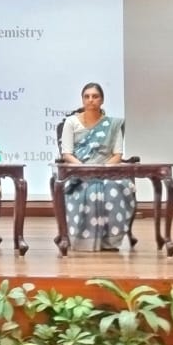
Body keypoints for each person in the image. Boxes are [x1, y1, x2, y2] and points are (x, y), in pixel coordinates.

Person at [59, 81, 135, 252]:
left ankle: (110, 241)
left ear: (102, 100)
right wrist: (85, 169)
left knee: (116, 187)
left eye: (95, 96)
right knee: (90, 189)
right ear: (82, 100)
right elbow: (67, 154)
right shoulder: (71, 122)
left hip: (107, 171)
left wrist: (102, 169)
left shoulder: (113, 124)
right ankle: (82, 241)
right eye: (87, 97)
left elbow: (118, 155)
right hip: (78, 172)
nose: (91, 100)